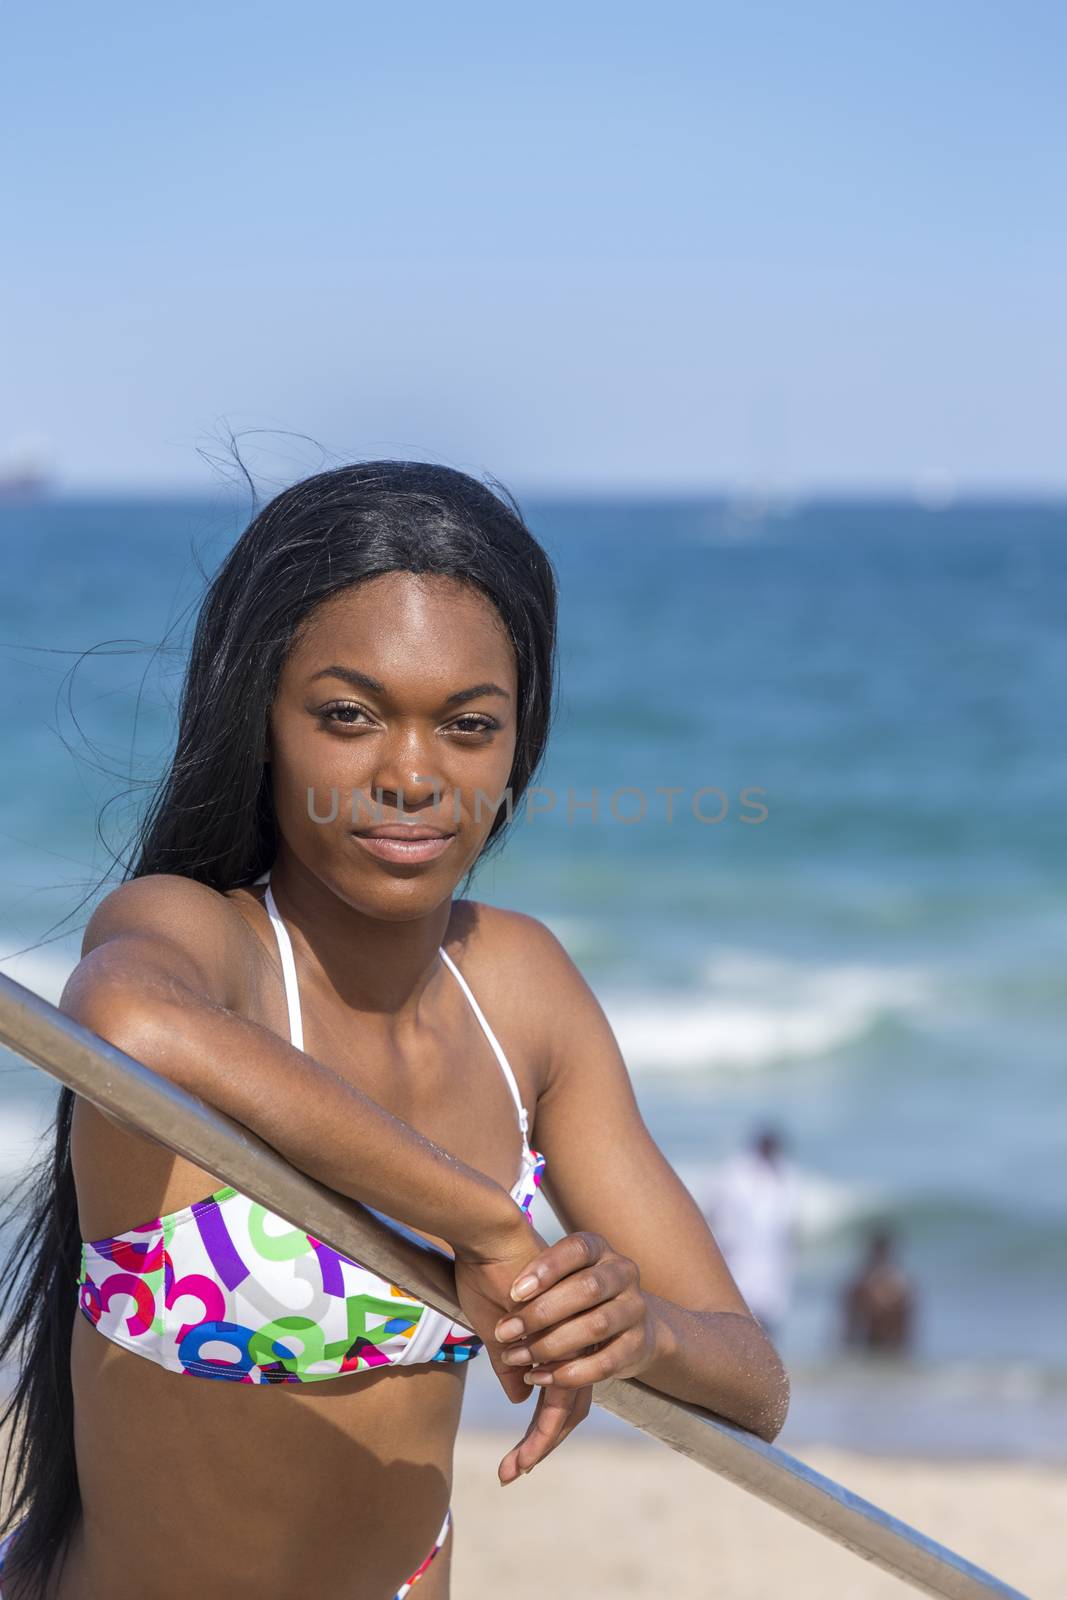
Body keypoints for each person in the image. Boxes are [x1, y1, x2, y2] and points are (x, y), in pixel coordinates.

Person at [0, 461, 789, 1599]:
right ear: (259, 719)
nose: (412, 775)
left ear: (520, 743)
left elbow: (752, 1378)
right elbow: (124, 1023)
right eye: (348, 716)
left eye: (468, 726)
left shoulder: (517, 989)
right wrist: (481, 1226)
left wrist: (631, 1331)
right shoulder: (203, 943)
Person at [707, 1125, 800, 1346]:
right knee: (738, 1320)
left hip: (772, 1262)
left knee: (768, 1321)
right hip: (737, 1257)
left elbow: (789, 1225)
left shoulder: (787, 1175)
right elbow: (714, 1213)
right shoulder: (735, 1172)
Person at [842, 1226, 915, 1353]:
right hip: (891, 1353)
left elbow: (849, 1332)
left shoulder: (859, 1287)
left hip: (874, 1351)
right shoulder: (903, 1286)